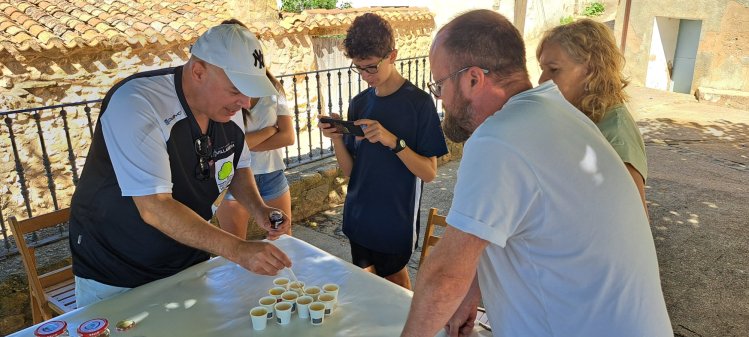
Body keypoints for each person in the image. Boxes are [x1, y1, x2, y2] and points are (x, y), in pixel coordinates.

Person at [401, 10, 672, 337]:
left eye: (439, 85)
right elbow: (494, 226)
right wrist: (469, 294)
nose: (440, 98)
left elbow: (444, 276)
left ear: (473, 79)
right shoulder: (559, 116)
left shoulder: (499, 139)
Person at [69, 22, 292, 307]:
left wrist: (259, 209)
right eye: (237, 89)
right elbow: (155, 206)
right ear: (199, 71)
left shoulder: (227, 108)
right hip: (118, 272)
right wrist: (238, 249)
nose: (246, 102)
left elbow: (236, 166)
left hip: (188, 260)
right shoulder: (137, 102)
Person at [319, 13, 448, 290]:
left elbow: (429, 173)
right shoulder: (359, 103)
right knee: (365, 287)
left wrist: (394, 142)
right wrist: (337, 138)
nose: (366, 76)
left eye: (371, 68)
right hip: (358, 217)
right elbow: (352, 172)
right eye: (359, 68)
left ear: (392, 55)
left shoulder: (419, 104)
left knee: (395, 287)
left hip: (395, 221)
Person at [537, 18, 648, 214]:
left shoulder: (616, 133)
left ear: (590, 70)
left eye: (554, 70)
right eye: (543, 69)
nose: (541, 80)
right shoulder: (577, 115)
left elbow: (635, 219)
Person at [216, 20, 295, 239]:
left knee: (284, 240)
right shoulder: (220, 94)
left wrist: (246, 142)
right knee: (235, 245)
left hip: (271, 174)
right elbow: (234, 146)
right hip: (233, 178)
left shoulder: (273, 89)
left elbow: (288, 136)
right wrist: (271, 131)